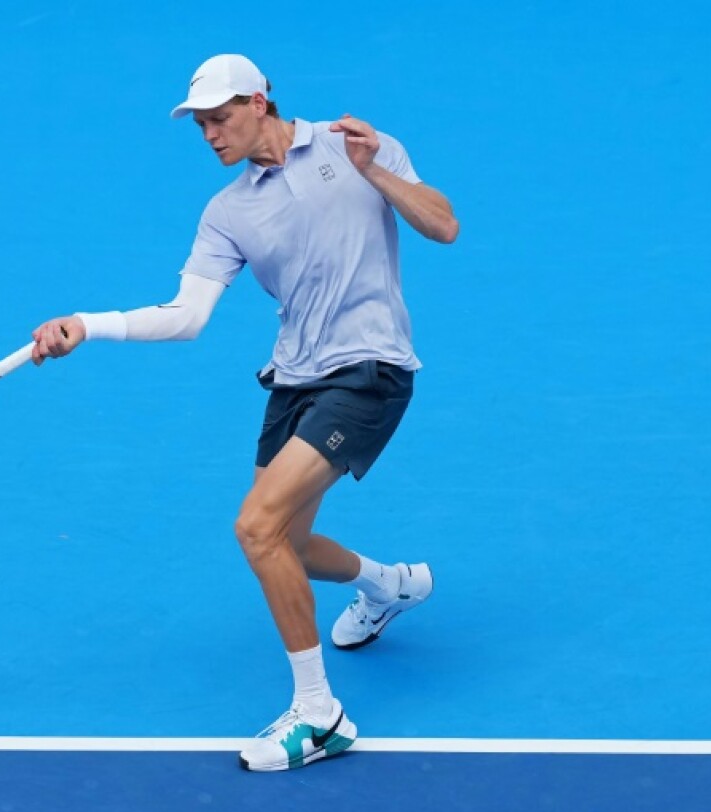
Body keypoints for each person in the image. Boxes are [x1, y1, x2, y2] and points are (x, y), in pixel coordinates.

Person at [29, 53, 458, 772]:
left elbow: (443, 226)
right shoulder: (228, 211)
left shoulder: (354, 143)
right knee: (285, 541)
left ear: (260, 102)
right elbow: (186, 316)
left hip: (369, 370)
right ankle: (389, 585)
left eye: (219, 118)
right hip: (294, 380)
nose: (209, 134)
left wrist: (375, 169)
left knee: (255, 529)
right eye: (200, 124)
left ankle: (320, 715)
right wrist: (86, 322)